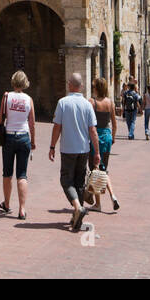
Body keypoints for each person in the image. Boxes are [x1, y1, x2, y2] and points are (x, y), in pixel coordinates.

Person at [49, 74, 99, 232]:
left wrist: (52, 146)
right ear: (81, 86)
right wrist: (96, 152)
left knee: (66, 180)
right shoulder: (87, 104)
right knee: (79, 182)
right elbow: (93, 130)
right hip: (83, 149)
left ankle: (77, 207)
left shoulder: (63, 103)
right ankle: (78, 215)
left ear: (69, 84)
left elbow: (57, 126)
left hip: (68, 148)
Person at [0, 70, 35, 220]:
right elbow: (32, 123)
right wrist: (33, 141)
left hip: (9, 137)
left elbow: (0, 119)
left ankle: (7, 204)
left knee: (7, 173)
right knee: (22, 175)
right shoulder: (29, 99)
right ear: (25, 83)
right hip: (24, 137)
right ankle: (22, 209)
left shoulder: (6, 96)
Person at [89, 78, 120, 211]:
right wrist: (112, 137)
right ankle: (113, 196)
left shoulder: (92, 102)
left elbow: (88, 122)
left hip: (95, 137)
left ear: (96, 88)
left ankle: (98, 203)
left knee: (95, 170)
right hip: (107, 137)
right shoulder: (110, 103)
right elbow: (114, 123)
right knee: (103, 169)